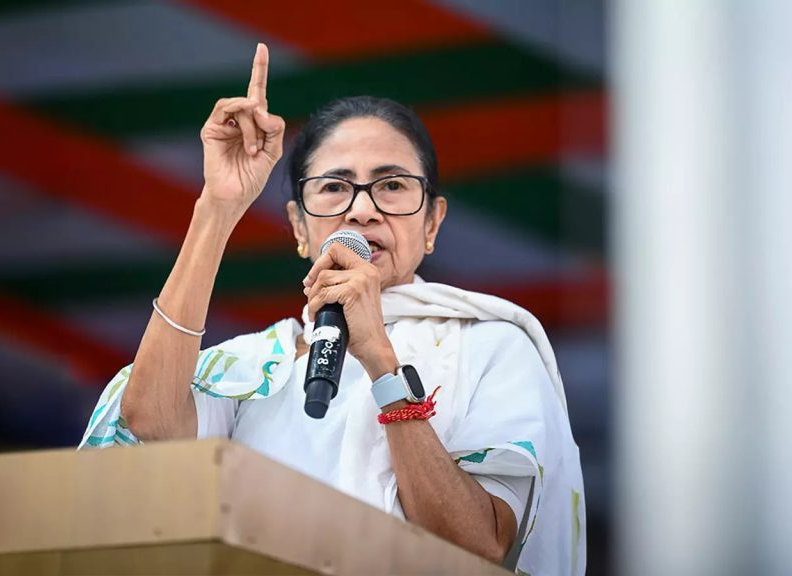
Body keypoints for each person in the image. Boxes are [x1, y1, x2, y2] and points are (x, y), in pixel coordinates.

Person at [79, 43, 586, 574]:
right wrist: (218, 207)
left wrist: (381, 362)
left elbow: (482, 545)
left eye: (392, 185)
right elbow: (152, 422)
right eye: (334, 187)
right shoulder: (255, 368)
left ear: (432, 223)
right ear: (299, 227)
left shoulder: (490, 344)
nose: (363, 210)